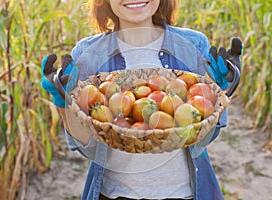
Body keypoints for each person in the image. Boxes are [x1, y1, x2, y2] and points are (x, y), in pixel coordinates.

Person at [41, 0, 242, 199]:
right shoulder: (88, 54)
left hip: (185, 193)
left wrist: (219, 90)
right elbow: (85, 145)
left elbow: (207, 135)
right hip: (114, 193)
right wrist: (62, 100)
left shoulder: (193, 45)